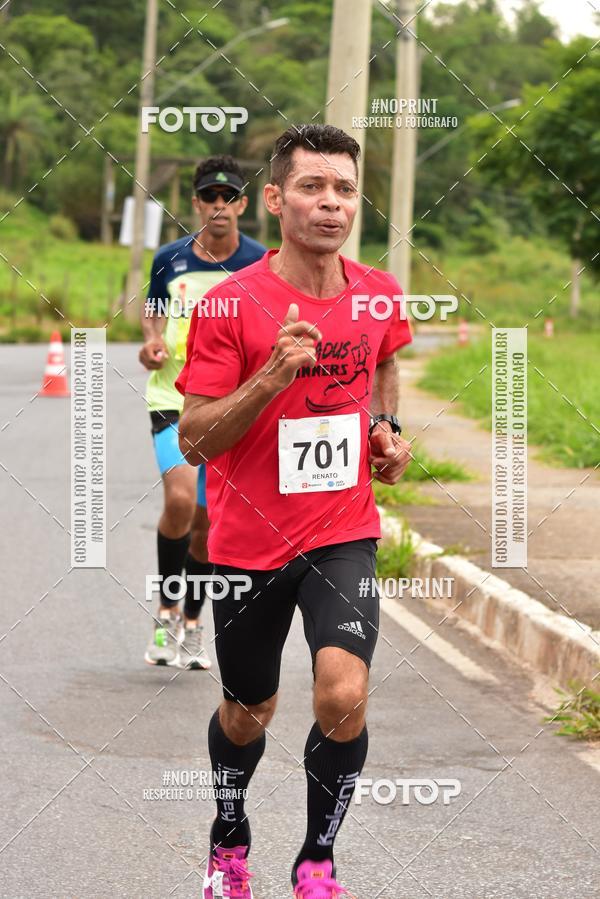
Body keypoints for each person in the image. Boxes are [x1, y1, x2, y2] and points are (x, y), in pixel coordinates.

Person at [176, 124, 412, 898]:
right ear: (276, 199)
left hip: (342, 530)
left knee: (342, 693)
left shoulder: (379, 291)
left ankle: (317, 859)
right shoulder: (229, 305)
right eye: (313, 187)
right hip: (247, 541)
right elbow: (195, 439)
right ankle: (229, 832)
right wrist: (272, 375)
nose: (331, 203)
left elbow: (383, 368)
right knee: (250, 709)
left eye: (344, 188)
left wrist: (388, 430)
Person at [139, 155, 266, 670]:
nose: (219, 206)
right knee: (180, 500)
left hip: (229, 408)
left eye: (228, 197)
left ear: (243, 204)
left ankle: (193, 622)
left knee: (209, 521)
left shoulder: (258, 262)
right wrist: (151, 342)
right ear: (195, 204)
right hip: (172, 399)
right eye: (209, 197)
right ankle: (166, 610)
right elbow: (153, 309)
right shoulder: (171, 258)